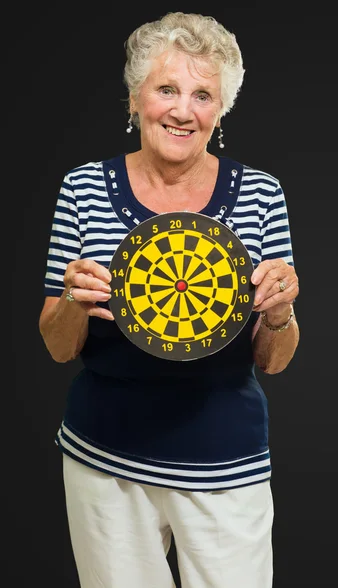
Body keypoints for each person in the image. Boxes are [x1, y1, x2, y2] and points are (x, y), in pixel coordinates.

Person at [38, 12, 299, 588]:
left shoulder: (260, 193)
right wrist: (74, 302)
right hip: (105, 460)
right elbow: (58, 347)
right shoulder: (82, 188)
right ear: (134, 99)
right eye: (167, 89)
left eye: (203, 94)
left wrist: (280, 312)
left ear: (221, 110)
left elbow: (273, 359)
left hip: (226, 457)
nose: (183, 110)